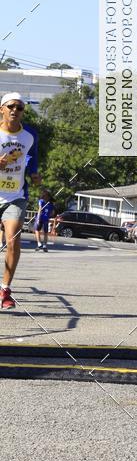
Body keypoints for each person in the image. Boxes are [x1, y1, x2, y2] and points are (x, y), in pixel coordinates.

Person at [0, 92, 41, 309]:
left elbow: (31, 159)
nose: (15, 110)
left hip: (15, 196)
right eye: (11, 106)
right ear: (2, 110)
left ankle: (5, 290)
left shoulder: (30, 135)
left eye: (20, 107)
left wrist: (34, 175)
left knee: (13, 240)